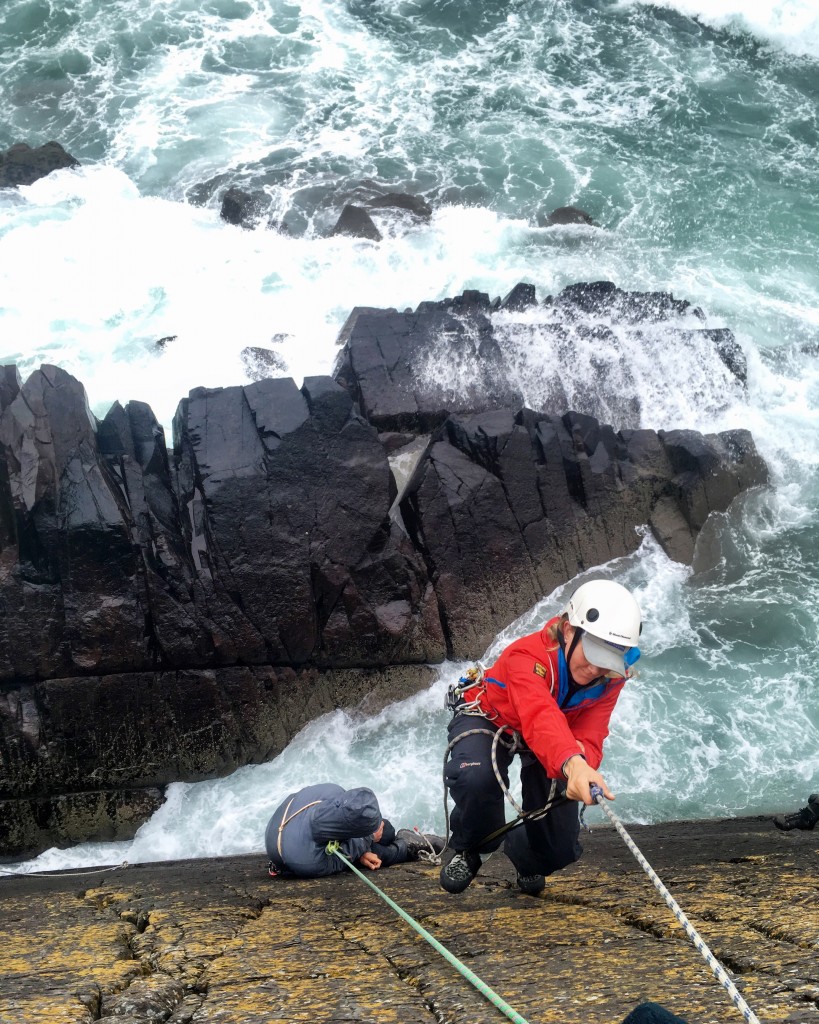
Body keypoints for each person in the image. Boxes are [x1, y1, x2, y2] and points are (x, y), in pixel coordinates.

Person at [440, 578, 642, 896]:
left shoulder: (610, 681)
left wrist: (582, 760)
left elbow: (592, 729)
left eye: (607, 662)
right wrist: (571, 763)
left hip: (556, 739)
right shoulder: (528, 657)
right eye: (591, 654)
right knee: (476, 778)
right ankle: (474, 847)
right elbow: (539, 715)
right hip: (492, 715)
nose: (595, 669)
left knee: (558, 847)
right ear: (567, 631)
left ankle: (527, 859)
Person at [265, 782, 444, 878]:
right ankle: (406, 846)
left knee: (386, 830)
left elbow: (345, 809)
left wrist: (370, 834)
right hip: (303, 852)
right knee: (378, 854)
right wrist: (366, 843)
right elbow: (339, 860)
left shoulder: (332, 791)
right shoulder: (307, 861)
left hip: (297, 826)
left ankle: (392, 834)